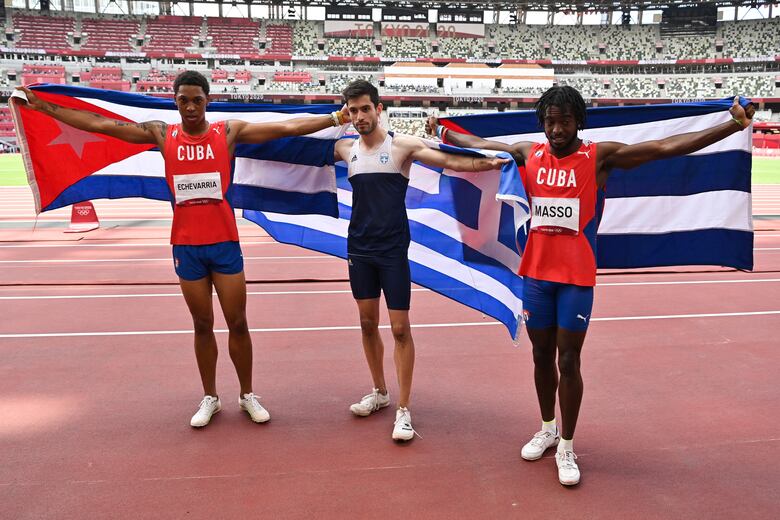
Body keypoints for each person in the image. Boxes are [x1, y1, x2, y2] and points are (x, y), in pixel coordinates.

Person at [427, 86, 754, 484]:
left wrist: (732, 125)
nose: (557, 128)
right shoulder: (530, 154)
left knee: (569, 360)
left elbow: (665, 147)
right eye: (549, 121)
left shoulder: (599, 157)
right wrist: (445, 133)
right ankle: (547, 427)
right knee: (540, 356)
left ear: (578, 121)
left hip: (576, 277)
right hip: (537, 276)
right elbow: (480, 144)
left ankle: (567, 445)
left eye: (564, 120)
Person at [15, 71, 352, 428]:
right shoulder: (162, 134)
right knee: (202, 323)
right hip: (186, 246)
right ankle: (210, 397)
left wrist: (335, 118)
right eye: (183, 100)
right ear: (175, 101)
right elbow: (100, 123)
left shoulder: (228, 132)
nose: (190, 107)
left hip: (224, 242)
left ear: (207, 100)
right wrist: (44, 107)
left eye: (196, 100)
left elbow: (287, 129)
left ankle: (247, 394)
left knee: (237, 322)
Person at [335, 80, 509, 441]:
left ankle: (403, 409)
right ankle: (380, 393)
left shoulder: (401, 146)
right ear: (347, 114)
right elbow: (295, 143)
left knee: (400, 329)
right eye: (353, 111)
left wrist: (490, 163)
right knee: (367, 324)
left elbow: (447, 159)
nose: (360, 116)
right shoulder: (344, 147)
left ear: (378, 109)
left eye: (365, 108)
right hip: (359, 250)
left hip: (393, 250)